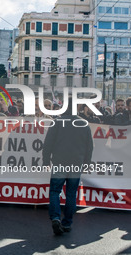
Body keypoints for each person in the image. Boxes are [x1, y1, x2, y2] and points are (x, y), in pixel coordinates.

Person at [43, 97, 93, 235]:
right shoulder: (84, 124)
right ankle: (67, 223)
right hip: (76, 164)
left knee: (54, 191)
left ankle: (55, 218)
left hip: (59, 162)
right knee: (71, 194)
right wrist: (87, 163)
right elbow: (89, 147)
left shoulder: (57, 122)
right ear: (77, 108)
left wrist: (46, 161)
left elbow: (48, 144)